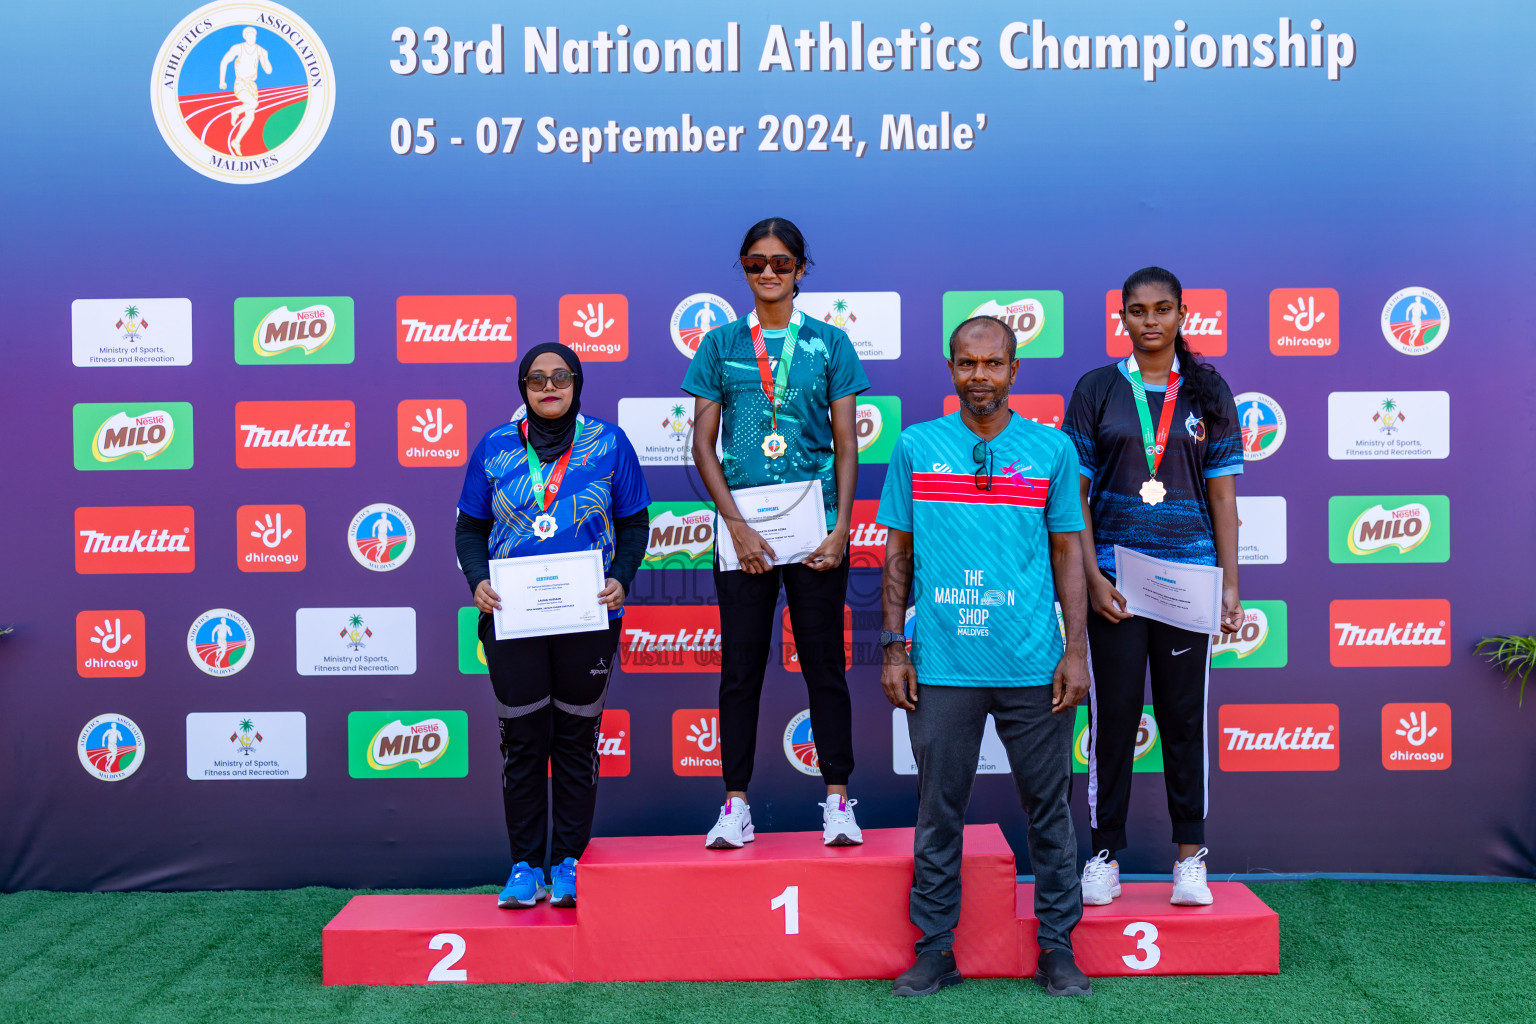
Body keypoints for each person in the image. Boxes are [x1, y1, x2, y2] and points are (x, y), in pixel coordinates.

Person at [878, 316, 1093, 999]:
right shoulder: (916, 447)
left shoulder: (1051, 450)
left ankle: (1058, 948)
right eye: (968, 365)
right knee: (938, 812)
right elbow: (898, 554)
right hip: (942, 665)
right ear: (950, 369)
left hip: (1034, 664)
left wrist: (1075, 652)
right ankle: (935, 948)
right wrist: (893, 647)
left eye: (993, 364)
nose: (980, 377)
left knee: (1050, 813)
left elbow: (1068, 554)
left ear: (1014, 369)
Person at [682, 217, 869, 849]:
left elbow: (847, 444)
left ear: (801, 270)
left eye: (781, 263)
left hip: (815, 530)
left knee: (824, 667)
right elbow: (701, 446)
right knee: (740, 670)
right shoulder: (719, 344)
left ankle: (838, 800)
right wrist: (735, 527)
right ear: (742, 269)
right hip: (744, 535)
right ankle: (735, 806)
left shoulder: (829, 343)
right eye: (756, 263)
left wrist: (842, 526)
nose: (768, 273)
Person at [1062, 266, 1244, 909]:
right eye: (1138, 311)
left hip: (1189, 579)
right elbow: (1072, 496)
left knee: (1181, 719)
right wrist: (1090, 575)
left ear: (1182, 314)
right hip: (1116, 581)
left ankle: (1189, 859)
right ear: (1123, 317)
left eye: (1163, 309)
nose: (1150, 321)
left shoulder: (1209, 389)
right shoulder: (1096, 389)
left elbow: (1223, 496)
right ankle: (1104, 855)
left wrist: (1229, 584)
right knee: (1111, 721)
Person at [456, 341, 651, 909]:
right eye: (536, 378)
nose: (549, 386)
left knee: (575, 741)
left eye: (560, 376)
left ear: (577, 383)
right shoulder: (495, 447)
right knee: (523, 741)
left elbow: (635, 523)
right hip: (512, 616)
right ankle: (523, 866)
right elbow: (469, 529)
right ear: (522, 386)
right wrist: (477, 581)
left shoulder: (608, 443)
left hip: (588, 614)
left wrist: (621, 576)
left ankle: (567, 862)